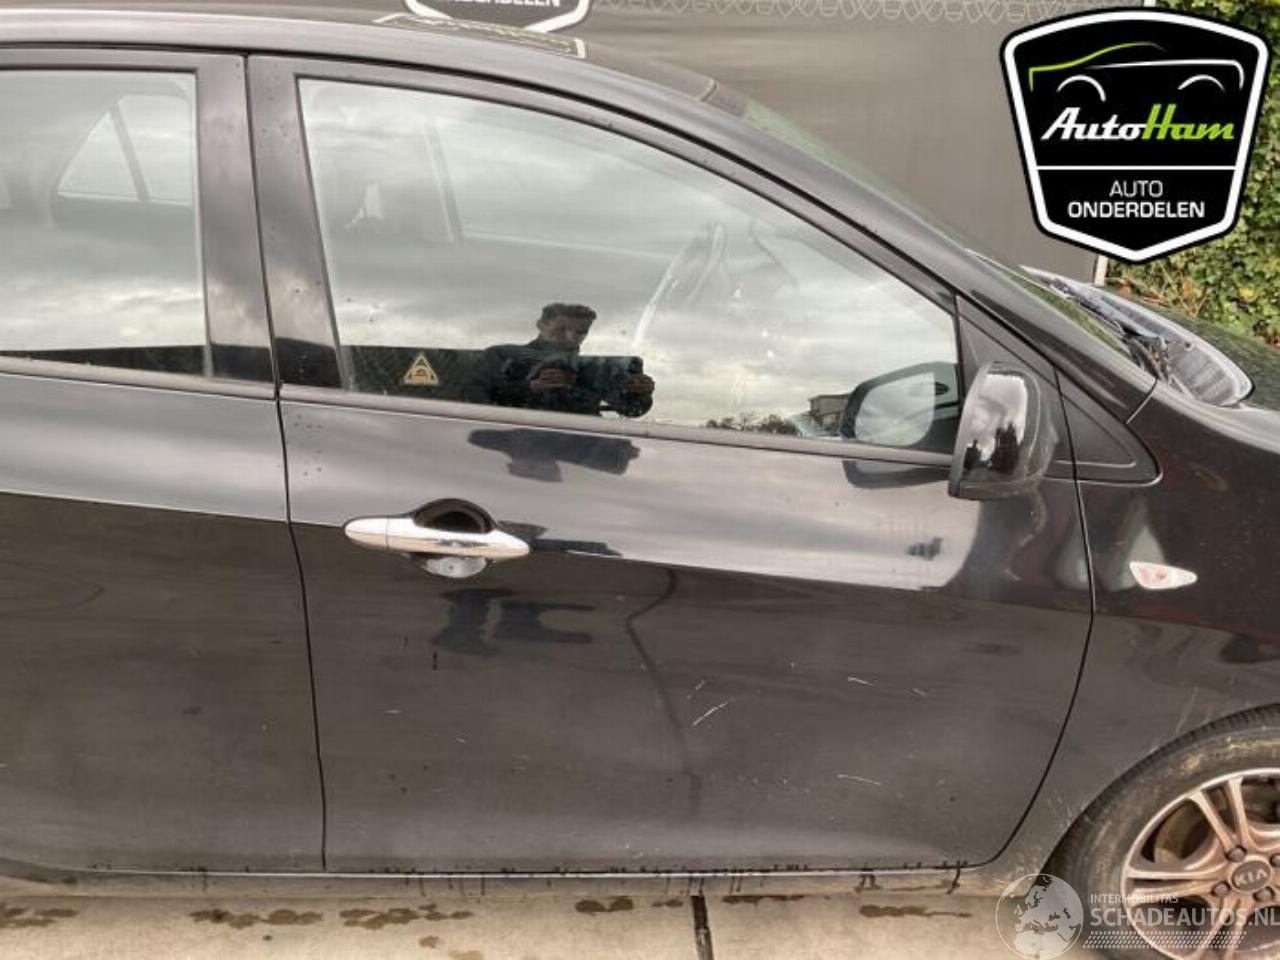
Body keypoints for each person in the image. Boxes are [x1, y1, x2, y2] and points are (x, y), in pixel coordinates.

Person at [466, 303, 655, 417]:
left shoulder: (598, 368)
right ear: (541, 325)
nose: (571, 337)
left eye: (580, 331)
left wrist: (639, 393)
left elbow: (630, 410)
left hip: (585, 442)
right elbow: (473, 400)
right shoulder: (501, 355)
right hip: (514, 436)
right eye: (562, 329)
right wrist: (530, 388)